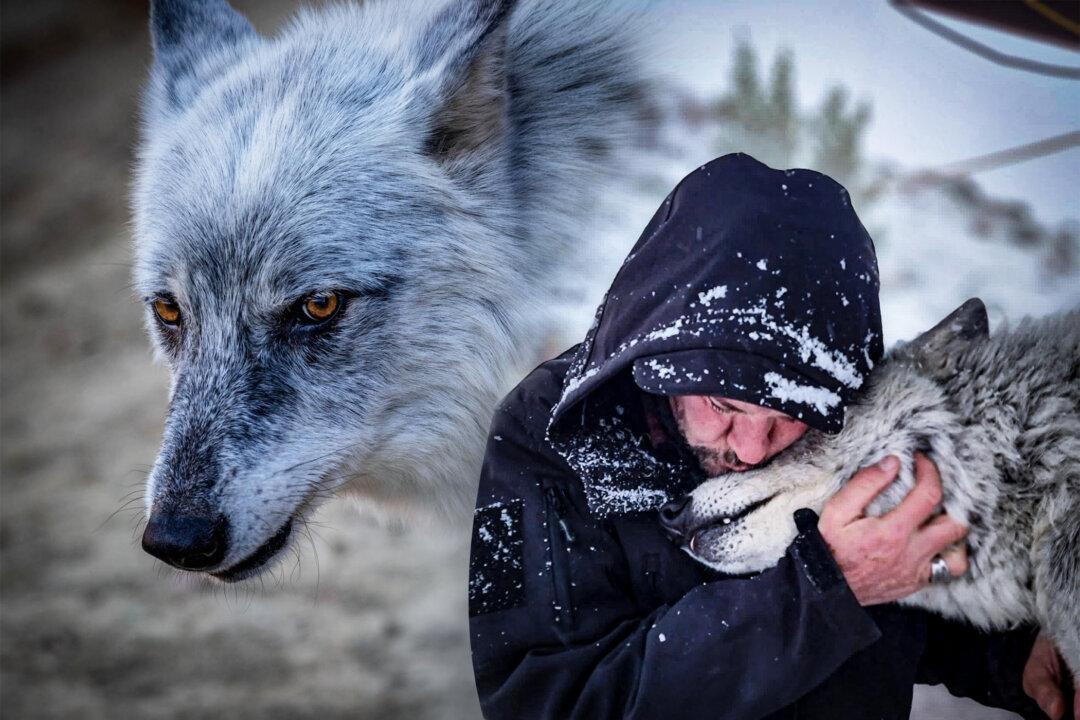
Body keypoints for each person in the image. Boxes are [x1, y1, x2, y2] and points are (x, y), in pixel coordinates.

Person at [467, 154, 1074, 719]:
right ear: (662, 357)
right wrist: (822, 591)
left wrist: (1010, 660)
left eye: (789, 415)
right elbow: (548, 700)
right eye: (724, 405)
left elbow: (904, 601)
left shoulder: (838, 424)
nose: (754, 449)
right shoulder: (542, 435)